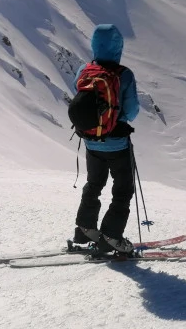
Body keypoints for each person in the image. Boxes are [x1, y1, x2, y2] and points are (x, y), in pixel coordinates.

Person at [73, 24, 139, 253]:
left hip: (91, 142)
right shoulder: (124, 74)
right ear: (118, 47)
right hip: (117, 144)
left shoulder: (84, 69)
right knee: (122, 190)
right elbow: (132, 111)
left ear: (94, 44)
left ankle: (84, 229)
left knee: (93, 184)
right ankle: (111, 236)